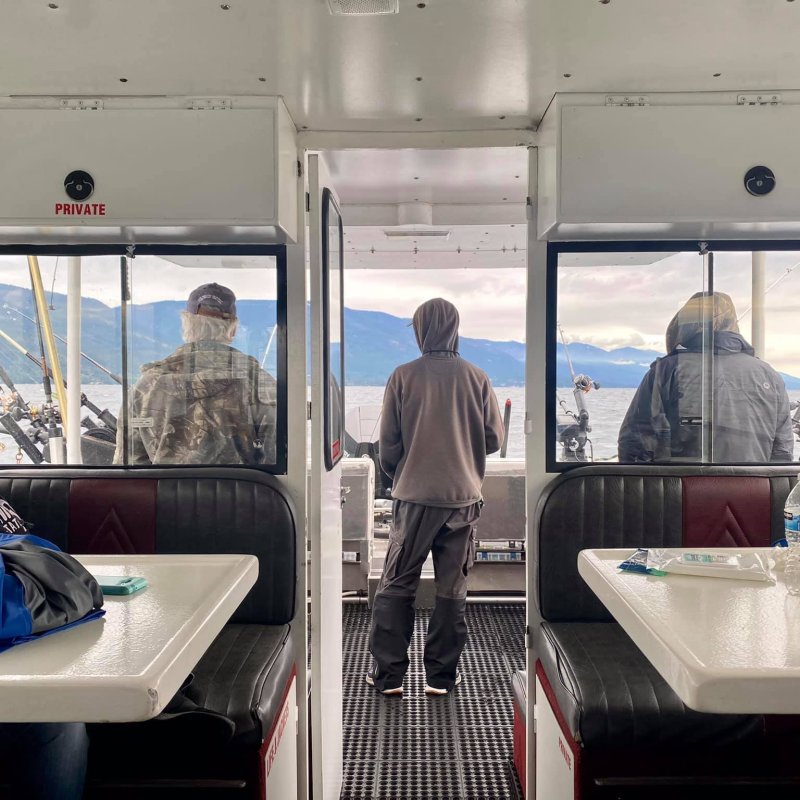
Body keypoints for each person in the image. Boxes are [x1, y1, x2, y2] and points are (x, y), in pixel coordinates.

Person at [366, 298, 504, 696]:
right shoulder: (477, 376)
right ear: (455, 328)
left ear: (420, 329)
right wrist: (463, 453)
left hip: (414, 499)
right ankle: (441, 677)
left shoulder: (403, 376)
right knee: (451, 588)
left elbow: (387, 445)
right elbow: (494, 439)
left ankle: (389, 677)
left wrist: (404, 475)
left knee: (397, 583)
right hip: (463, 498)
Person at [618, 291, 794, 463]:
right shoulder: (769, 375)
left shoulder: (666, 370)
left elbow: (634, 443)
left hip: (681, 488)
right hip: (754, 489)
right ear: (732, 322)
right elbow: (782, 452)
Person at [114, 283, 277, 466]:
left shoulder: (145, 387)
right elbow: (276, 462)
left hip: (167, 494)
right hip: (240, 494)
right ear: (233, 329)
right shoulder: (261, 385)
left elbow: (128, 468)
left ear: (186, 325)